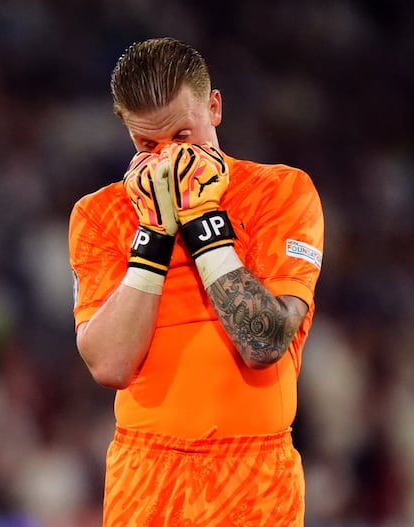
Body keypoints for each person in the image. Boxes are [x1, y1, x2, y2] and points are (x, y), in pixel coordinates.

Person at [68, 36, 324, 526]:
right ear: (127, 131)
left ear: (215, 107)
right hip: (145, 476)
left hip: (254, 476)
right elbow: (109, 365)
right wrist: (153, 236)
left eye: (183, 138)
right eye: (147, 145)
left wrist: (203, 219)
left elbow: (264, 341)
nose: (168, 161)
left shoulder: (280, 192)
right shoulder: (100, 215)